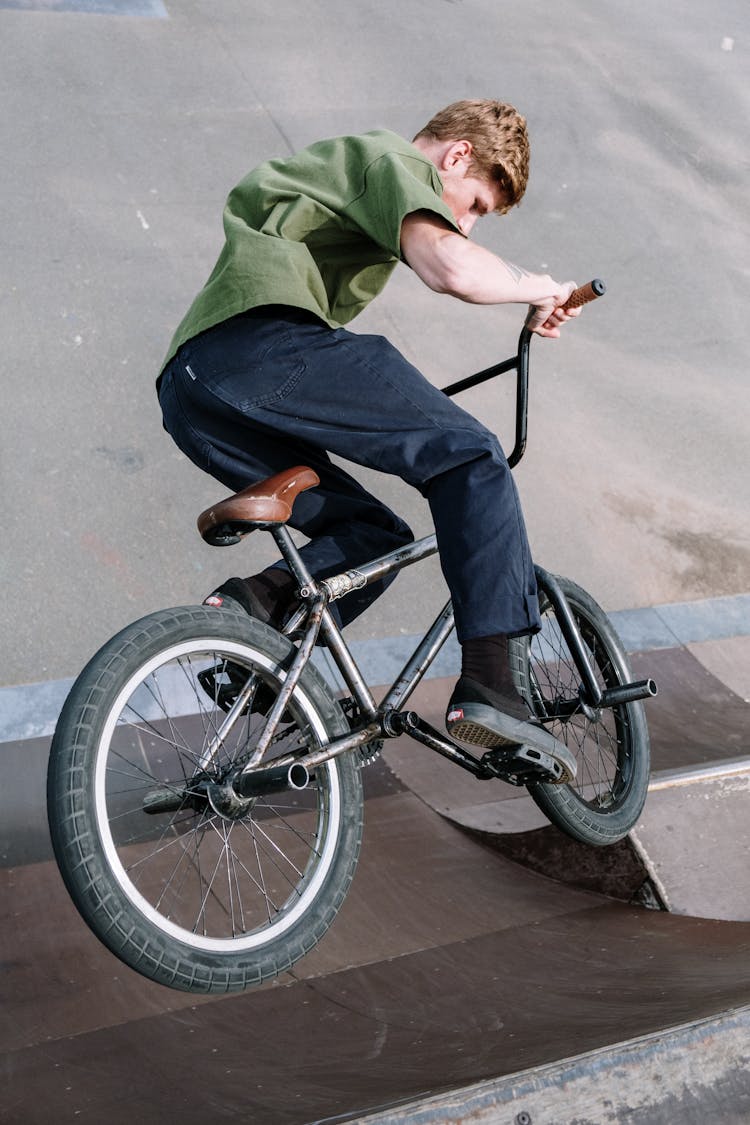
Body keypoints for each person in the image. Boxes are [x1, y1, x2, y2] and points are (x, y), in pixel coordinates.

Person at [156, 98, 581, 762]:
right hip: (265, 347)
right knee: (470, 455)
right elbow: (451, 268)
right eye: (472, 206)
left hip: (193, 389)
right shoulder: (392, 159)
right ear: (457, 155)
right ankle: (495, 686)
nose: (465, 225)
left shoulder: (351, 175)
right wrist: (539, 287)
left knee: (372, 535)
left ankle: (253, 615)